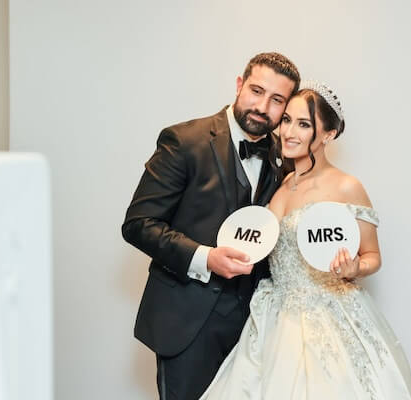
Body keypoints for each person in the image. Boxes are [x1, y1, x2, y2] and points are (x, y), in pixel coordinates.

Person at [200, 81, 411, 399]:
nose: (289, 131)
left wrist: (354, 267)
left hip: (329, 315)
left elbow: (373, 255)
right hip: (274, 316)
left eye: (304, 124)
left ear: (328, 135)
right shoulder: (281, 183)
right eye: (287, 120)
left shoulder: (346, 186)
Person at [121, 52, 300, 400]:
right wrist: (206, 258)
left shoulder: (283, 156)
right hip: (187, 320)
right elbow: (138, 224)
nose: (262, 106)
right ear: (239, 85)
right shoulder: (183, 141)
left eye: (276, 100)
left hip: (254, 324)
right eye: (256, 90)